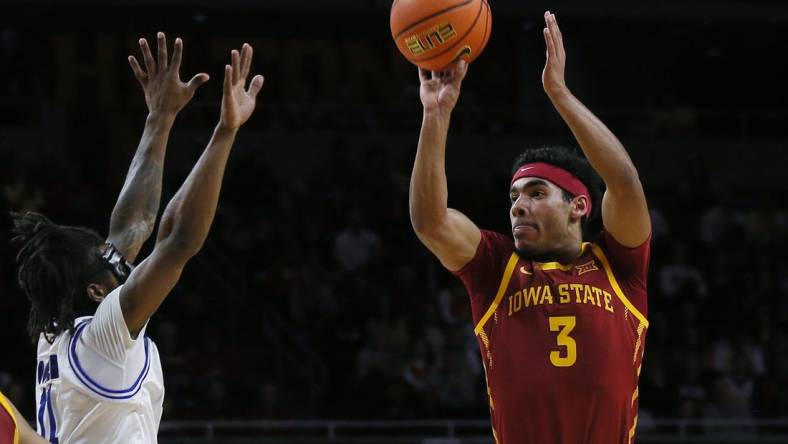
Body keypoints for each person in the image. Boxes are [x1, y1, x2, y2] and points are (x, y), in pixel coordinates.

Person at [409, 12, 651, 444]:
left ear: (578, 205)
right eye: (514, 197)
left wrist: (560, 95)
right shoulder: (495, 267)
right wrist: (437, 113)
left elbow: (625, 184)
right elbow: (431, 222)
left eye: (537, 193)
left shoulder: (619, 266)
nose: (519, 206)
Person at [12, 34, 264, 443]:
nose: (121, 258)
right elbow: (179, 240)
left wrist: (160, 118)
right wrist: (225, 131)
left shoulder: (56, 331)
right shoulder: (102, 338)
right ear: (97, 291)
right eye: (109, 261)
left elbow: (133, 225)